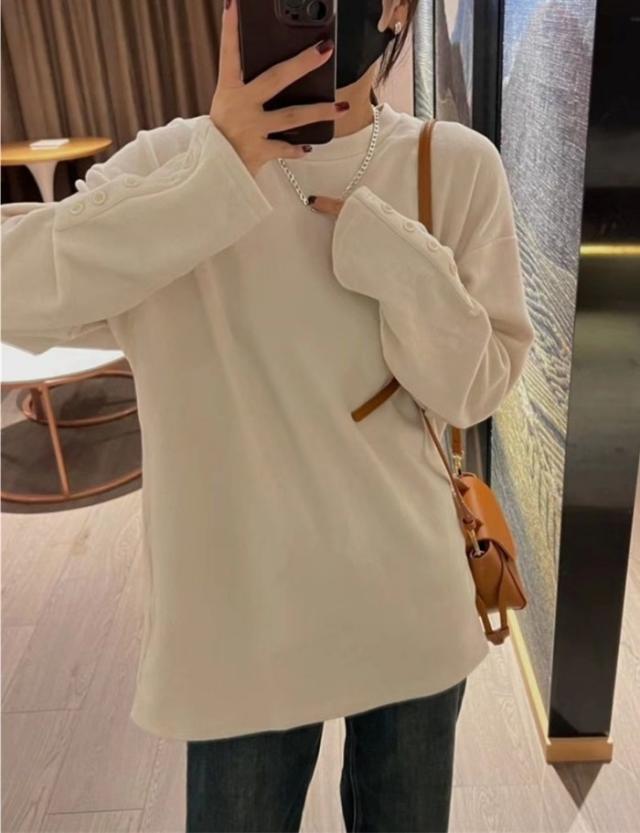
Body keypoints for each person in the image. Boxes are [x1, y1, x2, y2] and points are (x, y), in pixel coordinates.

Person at [1, 0, 536, 829]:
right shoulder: (172, 166)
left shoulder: (455, 164)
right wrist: (214, 175)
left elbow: (476, 390)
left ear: (394, 8)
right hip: (241, 625)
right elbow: (15, 290)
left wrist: (398, 261)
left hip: (409, 600)